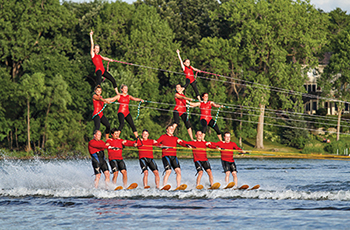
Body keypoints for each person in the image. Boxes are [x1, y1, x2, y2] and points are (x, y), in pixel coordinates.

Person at [90, 30, 119, 94]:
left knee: (113, 80)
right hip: (98, 70)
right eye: (96, 48)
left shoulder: (99, 56)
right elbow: (92, 44)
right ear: (94, 49)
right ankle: (97, 94)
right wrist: (91, 35)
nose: (97, 50)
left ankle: (118, 94)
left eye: (98, 48)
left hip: (103, 70)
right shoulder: (93, 55)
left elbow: (104, 58)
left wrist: (110, 59)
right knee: (99, 84)